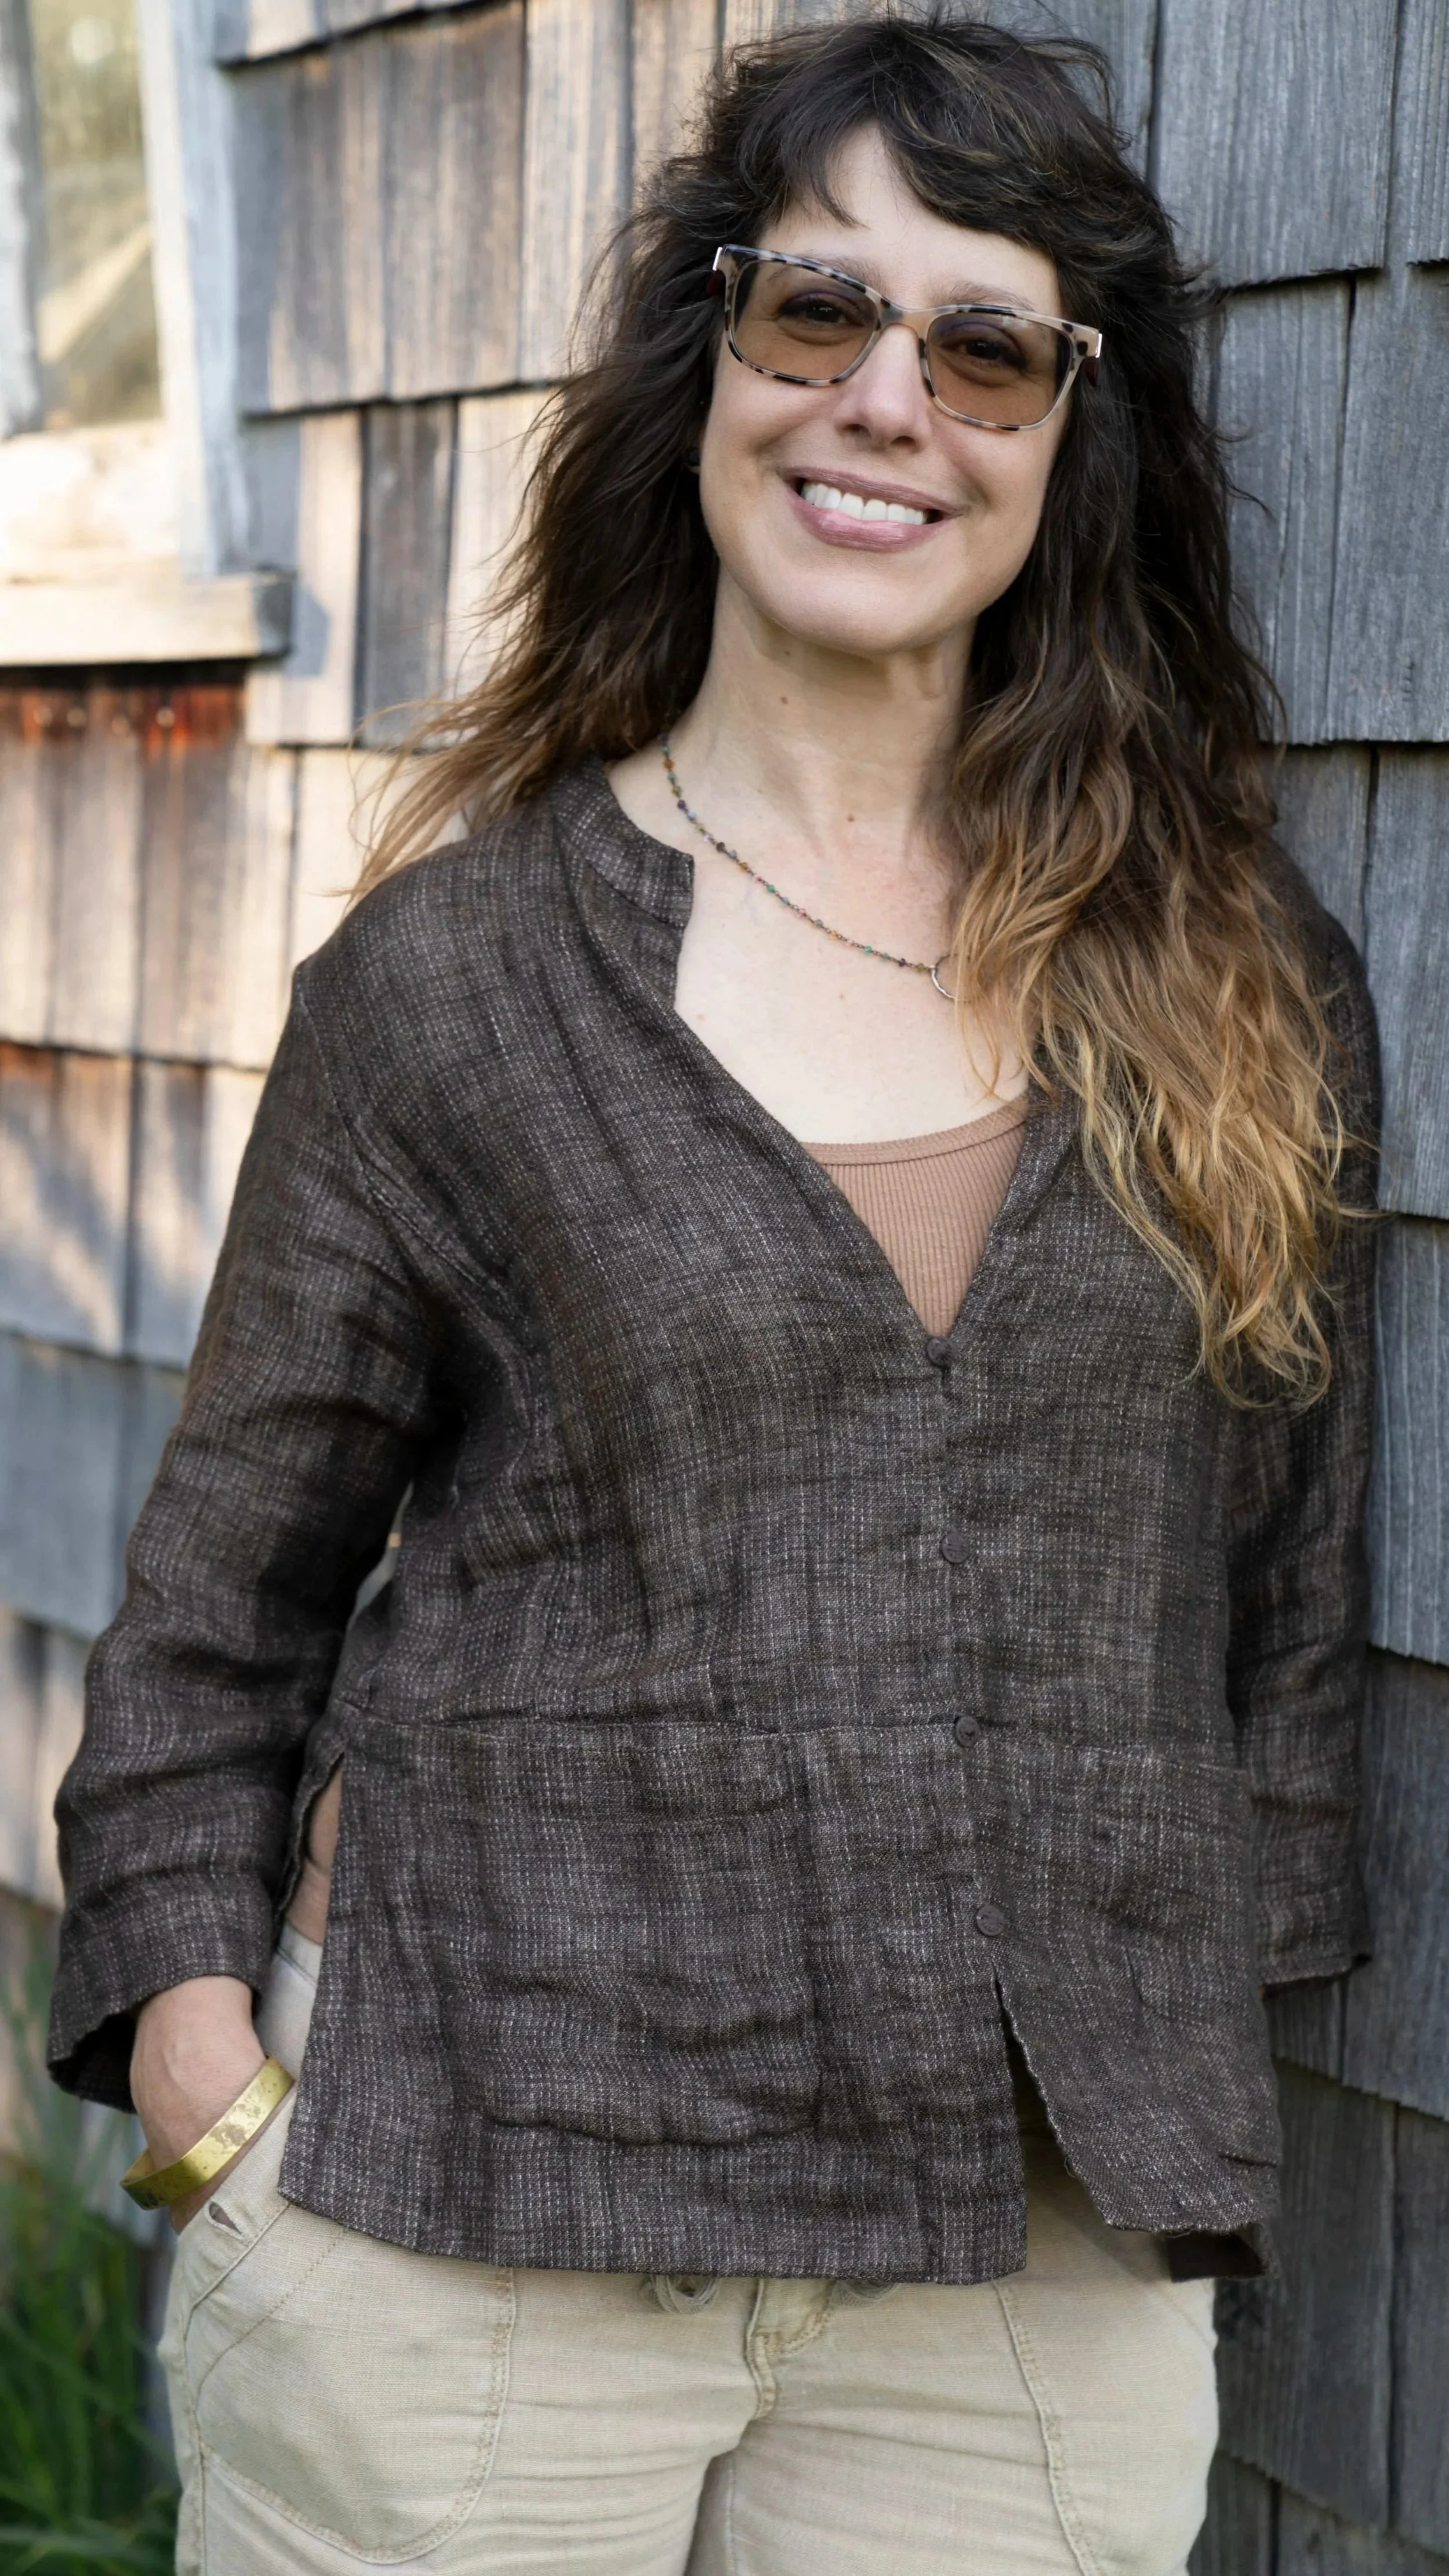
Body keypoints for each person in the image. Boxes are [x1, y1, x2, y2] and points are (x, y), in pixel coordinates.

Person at [49, 15, 1378, 2573]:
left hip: (1024, 2285)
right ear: (711, 368)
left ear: (1071, 437)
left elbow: (1276, 1609)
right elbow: (217, 1616)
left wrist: (1173, 2047)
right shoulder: (458, 982)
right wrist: (220, 2095)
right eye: (814, 316)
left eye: (986, 347)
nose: (889, 402)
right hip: (462, 2225)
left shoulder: (1237, 980)